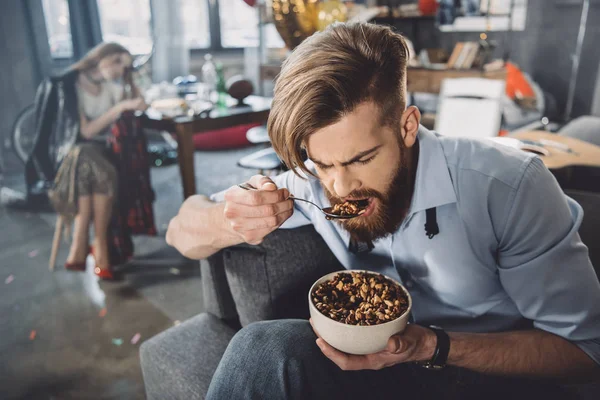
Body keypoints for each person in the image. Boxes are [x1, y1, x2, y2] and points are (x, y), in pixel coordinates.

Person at [165, 23, 600, 398]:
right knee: (262, 348)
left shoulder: (509, 186)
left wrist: (430, 346)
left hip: (489, 373)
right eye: (324, 162)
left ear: (407, 126)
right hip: (383, 374)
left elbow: (585, 354)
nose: (340, 186)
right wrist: (230, 219)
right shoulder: (313, 184)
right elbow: (180, 231)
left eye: (360, 159)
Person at [45, 42, 148, 279]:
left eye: (125, 66)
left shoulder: (111, 86)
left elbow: (140, 102)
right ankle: (99, 244)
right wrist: (120, 106)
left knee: (91, 164)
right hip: (71, 156)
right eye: (117, 62)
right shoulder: (72, 84)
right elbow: (87, 132)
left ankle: (80, 244)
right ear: (102, 58)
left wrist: (131, 80)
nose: (120, 69)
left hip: (103, 154)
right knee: (85, 155)